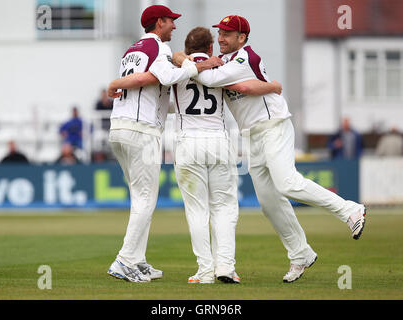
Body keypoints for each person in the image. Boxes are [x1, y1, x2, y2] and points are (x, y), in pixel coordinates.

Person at [174, 15, 366, 283]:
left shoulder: (244, 58)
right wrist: (270, 85)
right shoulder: (225, 59)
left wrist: (187, 62)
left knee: (286, 183)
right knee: (268, 201)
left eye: (227, 34)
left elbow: (210, 79)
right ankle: (300, 253)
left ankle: (350, 210)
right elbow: (219, 78)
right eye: (219, 33)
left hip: (273, 126)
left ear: (242, 38)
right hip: (252, 135)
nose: (221, 39)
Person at [107, 28, 282, 284]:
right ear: (210, 48)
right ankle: (225, 267)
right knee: (223, 207)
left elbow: (166, 94)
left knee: (196, 210)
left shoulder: (178, 71)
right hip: (218, 141)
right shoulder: (220, 68)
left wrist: (180, 59)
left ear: (187, 49)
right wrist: (273, 86)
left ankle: (203, 271)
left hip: (187, 144)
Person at [106, 4, 226, 283]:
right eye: (171, 21)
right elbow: (168, 76)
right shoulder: (157, 47)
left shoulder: (131, 50)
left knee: (140, 198)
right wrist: (199, 66)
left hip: (119, 128)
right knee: (146, 199)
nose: (174, 25)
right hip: (142, 130)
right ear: (159, 23)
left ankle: (137, 260)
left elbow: (148, 83)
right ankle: (124, 261)